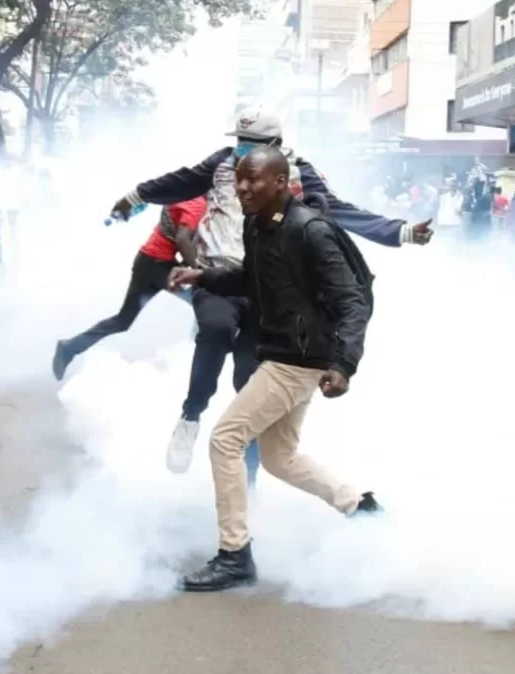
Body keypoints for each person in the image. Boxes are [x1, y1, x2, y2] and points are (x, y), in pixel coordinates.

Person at [107, 107, 432, 475]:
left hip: (266, 287)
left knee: (250, 379)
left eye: (254, 144)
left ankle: (249, 481)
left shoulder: (299, 172)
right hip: (217, 277)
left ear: (276, 147)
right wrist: (135, 196)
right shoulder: (221, 164)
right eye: (241, 143)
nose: (244, 152)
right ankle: (190, 416)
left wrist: (400, 231)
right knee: (214, 329)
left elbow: (339, 210)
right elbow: (180, 182)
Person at [168, 147, 381, 592]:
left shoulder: (310, 231)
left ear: (282, 182)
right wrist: (202, 276)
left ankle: (234, 555)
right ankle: (359, 507)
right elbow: (252, 279)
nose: (243, 189)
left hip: (296, 359)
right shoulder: (258, 223)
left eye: (255, 181)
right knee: (279, 458)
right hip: (282, 351)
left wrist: (344, 363)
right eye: (240, 181)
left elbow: (351, 301)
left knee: (226, 440)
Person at [52, 197, 205, 375]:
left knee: (123, 321)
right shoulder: (198, 204)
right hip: (158, 264)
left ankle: (68, 348)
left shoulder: (187, 195)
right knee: (204, 303)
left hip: (148, 261)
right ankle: (196, 364)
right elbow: (182, 239)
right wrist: (199, 272)